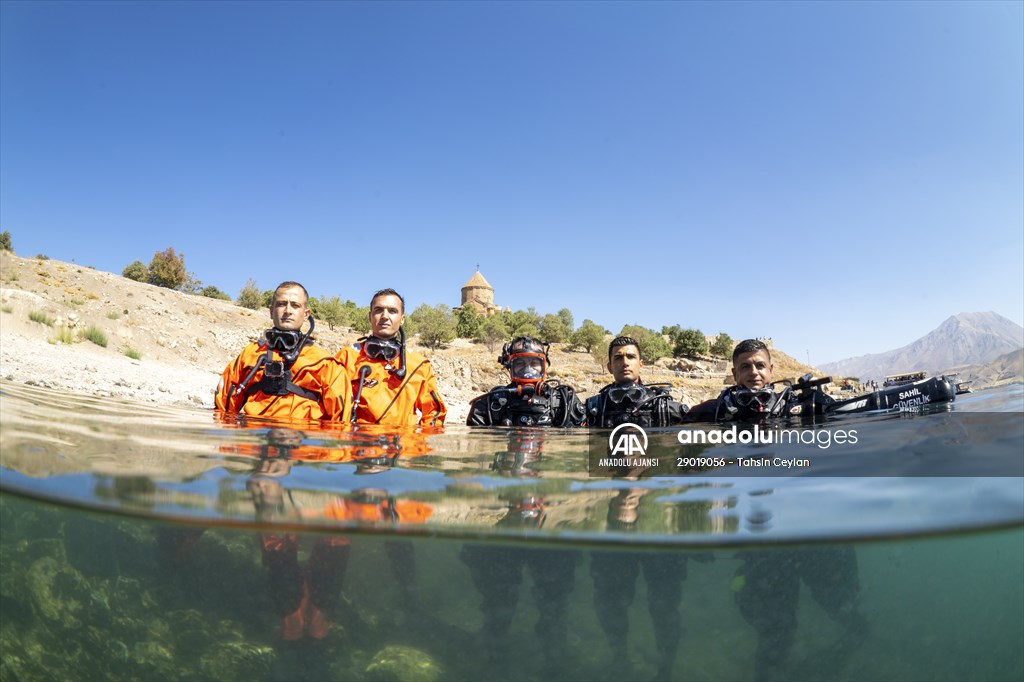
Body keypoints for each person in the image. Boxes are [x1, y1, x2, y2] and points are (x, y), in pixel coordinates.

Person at [686, 339, 866, 681]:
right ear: (734, 373)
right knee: (774, 630)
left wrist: (822, 408)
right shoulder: (712, 412)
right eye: (744, 366)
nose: (753, 372)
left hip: (813, 531)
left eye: (759, 365)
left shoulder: (800, 406)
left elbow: (850, 426)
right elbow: (680, 450)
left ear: (772, 370)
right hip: (763, 542)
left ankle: (849, 647)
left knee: (843, 609)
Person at [459, 430, 581, 678]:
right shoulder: (494, 493)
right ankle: (498, 661)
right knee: (500, 608)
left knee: (551, 609)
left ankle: (549, 661)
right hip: (509, 533)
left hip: (542, 534)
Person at [216, 281, 347, 421]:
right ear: (271, 312)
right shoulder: (250, 354)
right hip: (255, 436)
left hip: (303, 438)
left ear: (306, 314)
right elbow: (223, 411)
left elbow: (340, 423)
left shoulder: (325, 363)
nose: (288, 311)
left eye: (295, 305)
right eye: (282, 304)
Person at [336, 288, 446, 426]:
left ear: (402, 319)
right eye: (378, 310)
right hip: (356, 444)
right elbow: (330, 406)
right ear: (370, 316)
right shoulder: (347, 357)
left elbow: (434, 414)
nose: (384, 316)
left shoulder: (419, 365)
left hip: (401, 444)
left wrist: (416, 445)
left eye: (392, 311)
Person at [466, 336, 586, 427]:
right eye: (520, 363)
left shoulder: (563, 401)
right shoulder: (490, 403)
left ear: (545, 366)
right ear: (510, 367)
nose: (528, 370)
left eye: (534, 363)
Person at [586, 336, 688, 427]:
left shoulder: (661, 406)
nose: (625, 362)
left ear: (641, 364)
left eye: (631, 357)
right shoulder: (594, 407)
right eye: (618, 358)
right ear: (609, 367)